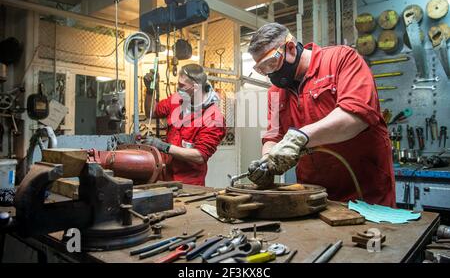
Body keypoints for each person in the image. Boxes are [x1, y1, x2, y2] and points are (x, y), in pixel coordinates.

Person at [247, 23, 395, 207]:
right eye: (263, 69)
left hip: (364, 189)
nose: (269, 73)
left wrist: (300, 137)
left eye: (271, 63)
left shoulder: (342, 58)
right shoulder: (276, 92)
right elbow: (274, 136)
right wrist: (267, 161)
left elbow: (356, 116)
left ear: (290, 48)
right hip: (312, 193)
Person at [144, 63, 226, 186]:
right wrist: (150, 90)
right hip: (165, 177)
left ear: (196, 87)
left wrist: (163, 146)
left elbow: (199, 155)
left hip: (188, 185)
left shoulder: (213, 117)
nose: (178, 88)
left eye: (182, 86)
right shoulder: (178, 99)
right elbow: (151, 112)